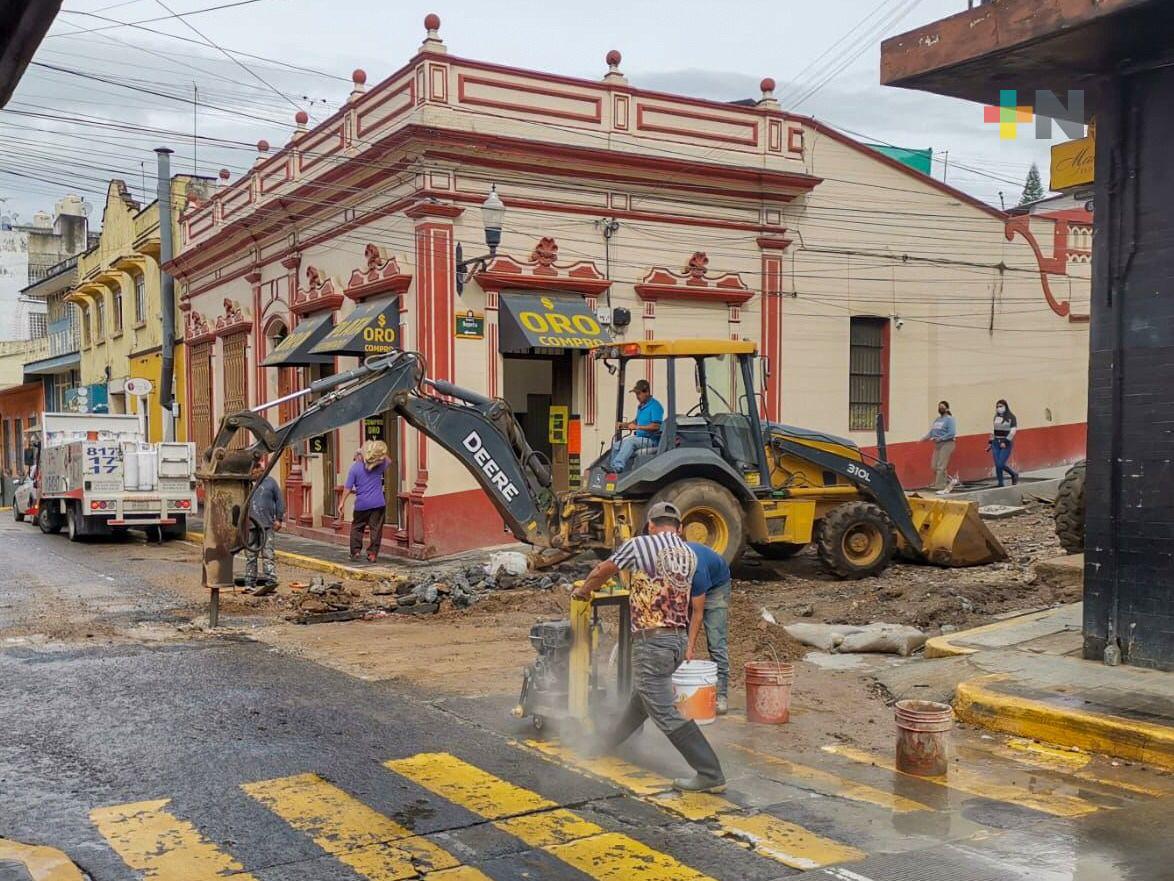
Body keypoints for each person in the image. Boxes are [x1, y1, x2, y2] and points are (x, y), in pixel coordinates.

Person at [573, 501, 726, 793]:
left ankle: (710, 773)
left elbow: (603, 570)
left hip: (652, 641)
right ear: (679, 528)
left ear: (650, 525)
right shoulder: (688, 553)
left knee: (664, 711)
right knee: (642, 699)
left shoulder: (639, 545)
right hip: (677, 641)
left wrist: (583, 591)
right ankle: (606, 744)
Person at [685, 541, 732, 716]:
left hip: (716, 586)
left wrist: (690, 647)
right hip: (690, 586)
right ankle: (680, 690)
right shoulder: (671, 566)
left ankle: (720, 696)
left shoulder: (697, 572)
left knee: (716, 640)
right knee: (679, 635)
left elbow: (698, 614)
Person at [341, 440, 391, 562]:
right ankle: (372, 554)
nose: (354, 459)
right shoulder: (378, 466)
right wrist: (378, 453)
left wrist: (341, 502)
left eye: (355, 456)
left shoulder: (354, 468)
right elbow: (388, 460)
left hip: (362, 505)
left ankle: (355, 552)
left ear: (359, 456)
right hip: (378, 504)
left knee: (357, 527)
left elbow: (347, 488)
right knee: (376, 529)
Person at [244, 457, 284, 595]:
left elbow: (279, 500)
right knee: (251, 555)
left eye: (259, 470)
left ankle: (270, 581)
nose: (257, 473)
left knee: (268, 553)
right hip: (250, 526)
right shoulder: (246, 484)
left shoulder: (270, 483)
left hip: (267, 524)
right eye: (255, 471)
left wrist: (279, 519)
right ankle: (250, 582)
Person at [610, 379, 663, 472]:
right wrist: (624, 425)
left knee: (630, 442)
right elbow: (635, 422)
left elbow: (656, 426)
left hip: (651, 440)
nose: (637, 397)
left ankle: (617, 467)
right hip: (640, 439)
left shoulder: (655, 406)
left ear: (646, 392)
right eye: (636, 394)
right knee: (616, 445)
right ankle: (612, 471)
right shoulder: (641, 407)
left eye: (638, 394)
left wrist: (638, 427)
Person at [922, 401, 956, 490]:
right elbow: (932, 431)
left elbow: (952, 433)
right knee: (934, 466)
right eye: (939, 407)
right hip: (937, 445)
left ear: (947, 409)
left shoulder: (950, 419)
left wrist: (941, 438)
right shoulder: (937, 420)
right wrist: (924, 438)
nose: (940, 408)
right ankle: (947, 481)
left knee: (941, 466)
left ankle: (939, 486)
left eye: (942, 407)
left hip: (947, 443)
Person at [991, 399, 1019, 486]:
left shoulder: (1011, 417)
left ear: (1005, 407)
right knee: (997, 464)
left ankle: (1013, 474)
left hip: (1005, 443)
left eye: (1000, 406)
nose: (999, 408)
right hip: (995, 443)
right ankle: (1000, 483)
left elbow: (1013, 431)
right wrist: (990, 441)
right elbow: (993, 430)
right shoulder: (996, 417)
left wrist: (1005, 442)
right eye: (997, 407)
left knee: (1000, 464)